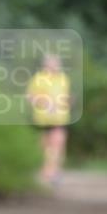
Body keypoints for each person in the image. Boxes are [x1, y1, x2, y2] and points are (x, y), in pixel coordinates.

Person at [26, 53, 71, 185]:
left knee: (58, 143)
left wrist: (66, 102)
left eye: (57, 63)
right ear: (45, 64)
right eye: (51, 63)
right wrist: (45, 103)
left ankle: (53, 172)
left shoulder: (63, 78)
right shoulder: (38, 78)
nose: (55, 66)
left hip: (60, 118)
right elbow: (30, 97)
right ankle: (46, 171)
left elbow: (65, 96)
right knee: (45, 146)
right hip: (42, 119)